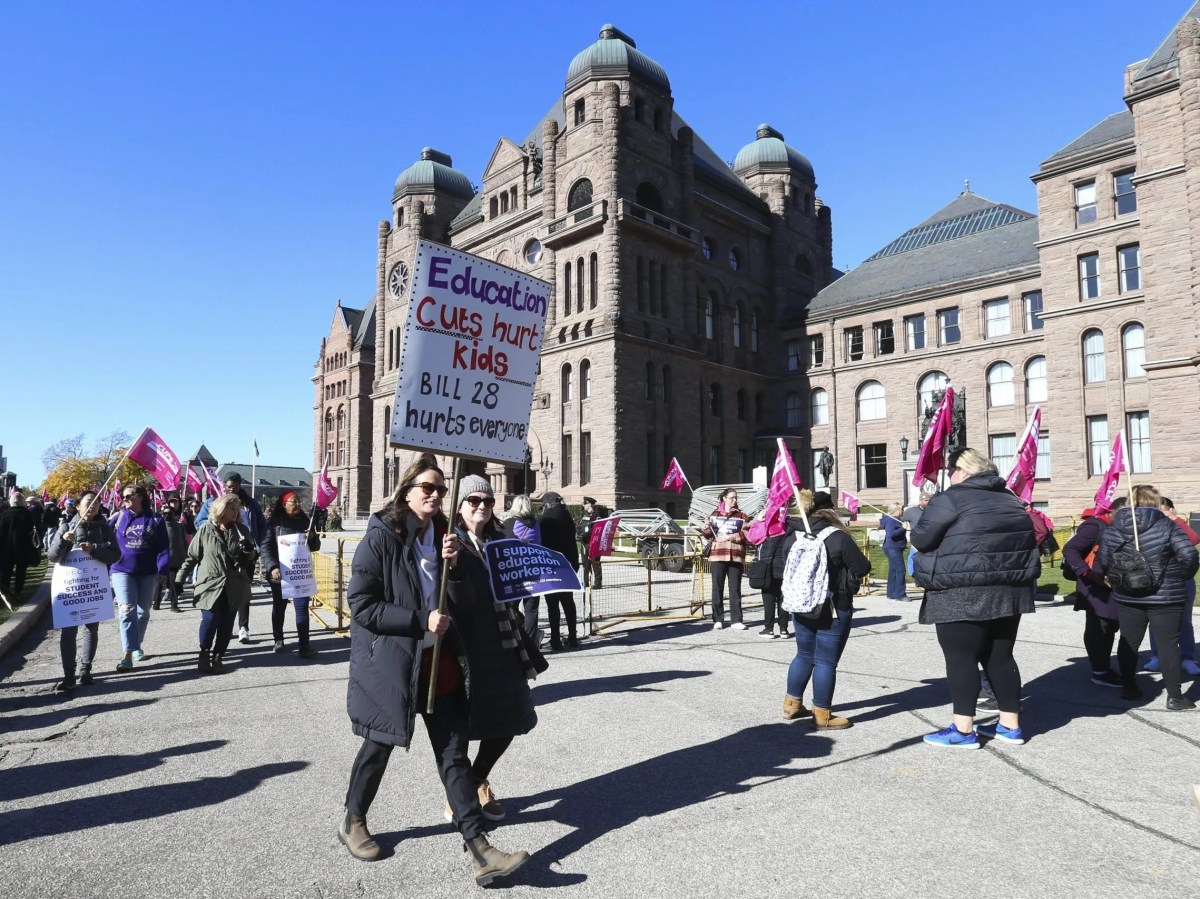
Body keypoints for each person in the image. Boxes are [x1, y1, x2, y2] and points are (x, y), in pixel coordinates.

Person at [338, 454, 529, 885]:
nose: (437, 495)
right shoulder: (382, 536)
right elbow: (362, 605)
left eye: (442, 490)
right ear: (407, 490)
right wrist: (418, 620)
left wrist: (457, 568)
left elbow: (462, 601)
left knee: (453, 754)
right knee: (378, 747)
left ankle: (480, 850)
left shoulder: (445, 536)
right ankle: (353, 820)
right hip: (392, 663)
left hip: (438, 661)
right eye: (429, 488)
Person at [912, 448, 1039, 748]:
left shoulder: (950, 498)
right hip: (1009, 589)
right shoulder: (1010, 499)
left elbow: (921, 538)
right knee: (1000, 657)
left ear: (963, 470)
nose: (949, 475)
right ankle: (1010, 725)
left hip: (961, 588)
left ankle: (963, 729)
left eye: (951, 469)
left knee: (961, 659)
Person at [451, 474, 540, 825]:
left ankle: (475, 780)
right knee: (459, 727)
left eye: (487, 501)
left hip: (503, 639)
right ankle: (460, 793)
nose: (483, 507)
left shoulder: (501, 538)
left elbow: (512, 588)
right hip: (463, 645)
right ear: (459, 506)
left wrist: (526, 579)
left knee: (511, 718)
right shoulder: (449, 540)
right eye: (474, 501)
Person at [1098, 484, 1200, 710]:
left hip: (1127, 595)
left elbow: (1102, 561)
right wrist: (1180, 577)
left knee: (1129, 642)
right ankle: (1175, 696)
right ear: (1156, 501)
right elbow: (1189, 555)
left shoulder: (1113, 528)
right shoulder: (1167, 525)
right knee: (1168, 644)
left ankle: (1129, 687)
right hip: (1165, 596)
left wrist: (1118, 577)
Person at [780, 491, 872, 728]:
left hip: (801, 603)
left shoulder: (793, 536)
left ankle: (791, 704)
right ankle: (822, 714)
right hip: (833, 605)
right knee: (825, 661)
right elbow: (862, 567)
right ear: (830, 511)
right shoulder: (837, 537)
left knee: (804, 655)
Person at [47, 490, 120, 692]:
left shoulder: (105, 529)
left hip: (93, 587)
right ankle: (69, 676)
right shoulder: (66, 526)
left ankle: (85, 671)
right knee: (69, 632)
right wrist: (64, 541)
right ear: (78, 506)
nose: (93, 506)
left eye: (96, 503)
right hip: (70, 589)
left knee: (91, 630)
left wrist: (95, 548)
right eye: (88, 502)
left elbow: (115, 555)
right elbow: (53, 557)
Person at [176, 494, 256, 674]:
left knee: (227, 623)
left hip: (234, 585)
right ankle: (204, 652)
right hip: (209, 584)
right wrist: (179, 579)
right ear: (221, 509)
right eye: (231, 508)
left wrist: (249, 550)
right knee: (210, 619)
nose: (235, 512)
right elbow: (192, 557)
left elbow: (250, 558)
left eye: (237, 508)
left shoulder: (242, 530)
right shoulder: (206, 530)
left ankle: (218, 656)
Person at [197, 472, 268, 644]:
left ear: (239, 486)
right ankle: (223, 627)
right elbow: (199, 523)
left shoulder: (250, 504)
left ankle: (244, 627)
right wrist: (216, 523)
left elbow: (261, 526)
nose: (232, 489)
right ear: (224, 486)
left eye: (235, 486)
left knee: (243, 593)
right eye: (229, 487)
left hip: (245, 552)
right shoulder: (212, 502)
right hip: (221, 554)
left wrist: (256, 548)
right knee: (224, 594)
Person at [1062, 501, 1125, 688]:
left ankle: (1104, 666)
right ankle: (1100, 670)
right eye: (1123, 513)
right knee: (1099, 628)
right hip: (1094, 586)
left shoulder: (1124, 528)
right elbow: (1070, 549)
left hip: (1115, 586)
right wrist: (1088, 573)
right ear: (1112, 511)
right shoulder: (1095, 525)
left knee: (1111, 626)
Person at [109, 485, 170, 672]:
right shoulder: (117, 518)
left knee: (143, 613)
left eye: (128, 495)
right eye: (123, 496)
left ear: (140, 497)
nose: (124, 498)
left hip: (148, 572)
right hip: (121, 570)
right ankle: (127, 654)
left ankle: (136, 645)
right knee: (127, 610)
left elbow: (163, 547)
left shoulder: (155, 519)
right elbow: (102, 535)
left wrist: (163, 570)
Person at [1140, 497, 1200, 677]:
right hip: (1158, 581)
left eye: (1164, 512)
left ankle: (1188, 658)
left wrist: (1174, 518)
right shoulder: (1153, 529)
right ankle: (1157, 656)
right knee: (1155, 621)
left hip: (1182, 580)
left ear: (1172, 510)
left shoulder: (1177, 526)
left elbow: (1194, 538)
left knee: (1184, 621)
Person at [260, 491, 321, 657]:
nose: (298, 505)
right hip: (279, 575)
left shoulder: (305, 521)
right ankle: (278, 639)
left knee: (302, 608)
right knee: (279, 608)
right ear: (284, 504)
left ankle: (304, 646)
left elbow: (315, 547)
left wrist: (313, 537)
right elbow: (265, 548)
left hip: (300, 574)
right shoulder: (274, 523)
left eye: (299, 502)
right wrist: (273, 567)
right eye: (294, 502)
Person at [702, 488, 750, 630]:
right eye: (732, 498)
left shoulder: (742, 515)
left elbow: (747, 534)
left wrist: (730, 537)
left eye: (736, 498)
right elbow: (708, 535)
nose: (734, 500)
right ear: (724, 498)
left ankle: (736, 620)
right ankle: (718, 619)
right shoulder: (715, 514)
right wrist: (705, 528)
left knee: (735, 589)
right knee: (717, 588)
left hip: (736, 556)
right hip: (718, 554)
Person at [539, 491, 581, 649]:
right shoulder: (567, 515)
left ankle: (556, 640)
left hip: (551, 566)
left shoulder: (545, 519)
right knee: (568, 602)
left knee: (552, 605)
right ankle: (572, 638)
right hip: (568, 564)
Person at [502, 493, 543, 643]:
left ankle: (518, 636)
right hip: (534, 570)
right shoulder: (536, 524)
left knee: (511, 606)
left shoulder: (509, 523)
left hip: (516, 571)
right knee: (531, 609)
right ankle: (531, 641)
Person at [0, 491, 38, 602]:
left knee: (5, 571)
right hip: (23, 547)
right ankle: (18, 592)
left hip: (6, 548)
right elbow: (32, 530)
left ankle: (5, 591)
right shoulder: (28, 514)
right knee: (21, 571)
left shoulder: (3, 515)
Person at [153, 504, 187, 612]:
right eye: (165, 513)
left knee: (173, 583)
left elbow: (183, 542)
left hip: (174, 560)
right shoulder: (157, 526)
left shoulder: (179, 526)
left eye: (169, 513)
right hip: (161, 560)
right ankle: (156, 603)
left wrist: (184, 556)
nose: (167, 515)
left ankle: (174, 605)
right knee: (159, 584)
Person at [576, 497, 607, 588]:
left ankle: (598, 583)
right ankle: (586, 582)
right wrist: (578, 533)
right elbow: (581, 526)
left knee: (595, 562)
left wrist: (585, 535)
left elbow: (596, 530)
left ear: (589, 504)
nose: (583, 505)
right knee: (586, 563)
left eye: (585, 504)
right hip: (584, 542)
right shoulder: (585, 514)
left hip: (593, 542)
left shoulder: (597, 515)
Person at [881, 501, 908, 600]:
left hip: (895, 547)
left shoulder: (895, 519)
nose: (903, 511)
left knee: (893, 570)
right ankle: (900, 594)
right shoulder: (891, 520)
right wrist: (903, 528)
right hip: (893, 547)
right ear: (897, 510)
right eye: (901, 509)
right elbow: (891, 534)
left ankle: (891, 593)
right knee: (900, 570)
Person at [902, 491, 931, 576]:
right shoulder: (910, 511)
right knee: (912, 558)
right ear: (920, 501)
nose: (928, 502)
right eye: (926, 500)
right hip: (916, 540)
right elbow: (900, 519)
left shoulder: (933, 511)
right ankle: (913, 575)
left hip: (930, 539)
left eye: (929, 500)